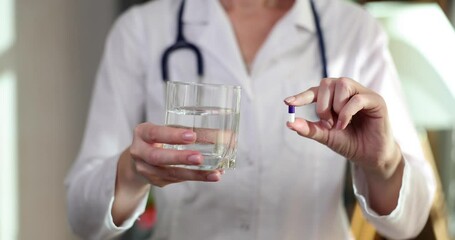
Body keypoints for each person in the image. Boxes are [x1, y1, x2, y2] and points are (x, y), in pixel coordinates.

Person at [65, 0, 436, 239]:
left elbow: (410, 220)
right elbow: (83, 217)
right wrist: (132, 171)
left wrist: (384, 163)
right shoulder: (142, 30)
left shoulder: (353, 30)